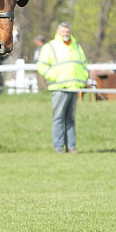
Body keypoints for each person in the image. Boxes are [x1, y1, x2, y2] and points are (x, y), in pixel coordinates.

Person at [36, 22, 89, 153]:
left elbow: (83, 64)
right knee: (59, 118)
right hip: (59, 87)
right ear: (58, 32)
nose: (66, 34)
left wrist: (83, 78)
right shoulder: (50, 47)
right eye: (63, 31)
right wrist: (54, 76)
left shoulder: (76, 46)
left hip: (74, 87)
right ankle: (58, 147)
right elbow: (41, 66)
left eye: (68, 31)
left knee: (71, 119)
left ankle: (71, 147)